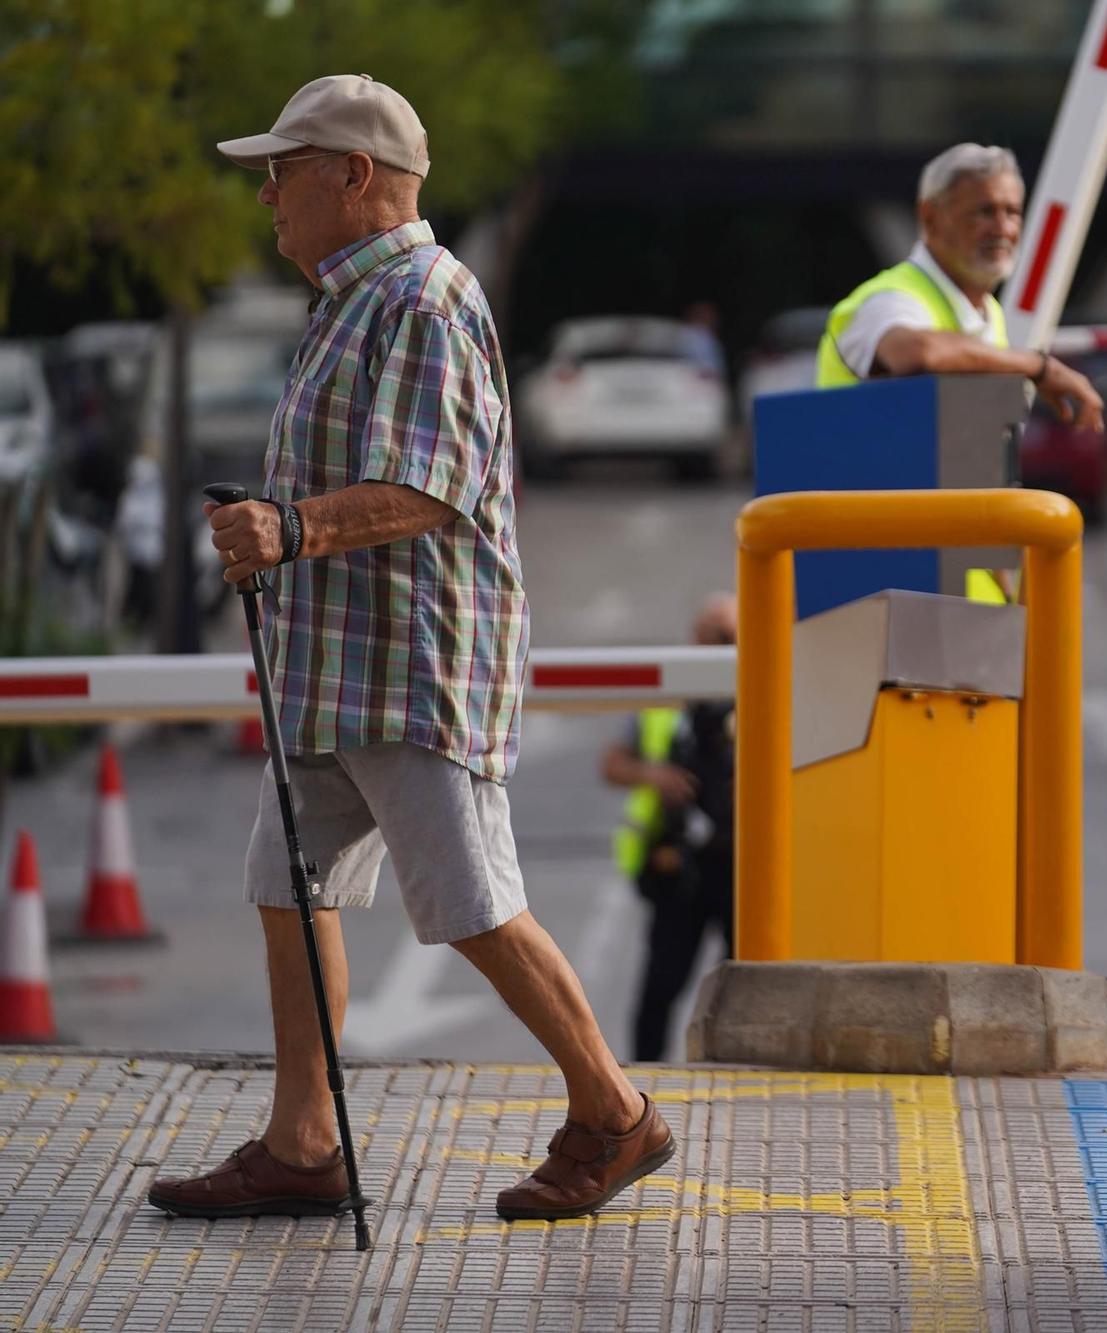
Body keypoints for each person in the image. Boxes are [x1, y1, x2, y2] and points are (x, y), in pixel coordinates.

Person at [146, 74, 672, 1225]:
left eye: (282, 171)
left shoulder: (423, 299)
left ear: (355, 177)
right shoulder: (352, 299)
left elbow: (427, 490)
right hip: (335, 662)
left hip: (408, 666)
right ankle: (304, 1141)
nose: (267, 196)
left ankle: (616, 1113)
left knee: (473, 903)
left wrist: (289, 527)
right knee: (289, 883)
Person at [816, 142, 1103, 431]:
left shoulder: (990, 312)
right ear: (930, 217)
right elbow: (917, 352)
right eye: (985, 211)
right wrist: (1039, 367)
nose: (1003, 228)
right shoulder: (888, 298)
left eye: (1012, 212)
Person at [602, 593, 738, 1062]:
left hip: (746, 865)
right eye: (713, 635)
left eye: (731, 637)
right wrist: (654, 775)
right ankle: (643, 1075)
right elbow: (613, 763)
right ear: (694, 637)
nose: (721, 646)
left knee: (747, 984)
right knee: (662, 983)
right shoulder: (668, 694)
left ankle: (736, 1067)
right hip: (679, 863)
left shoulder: (766, 688)